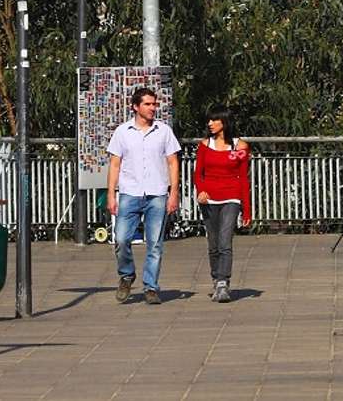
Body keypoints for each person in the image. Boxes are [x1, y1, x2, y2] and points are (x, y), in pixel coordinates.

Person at [106, 86, 180, 305]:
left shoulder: (163, 130)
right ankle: (126, 275)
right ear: (135, 107)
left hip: (157, 193)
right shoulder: (122, 131)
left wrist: (173, 192)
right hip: (130, 192)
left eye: (154, 104)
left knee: (155, 243)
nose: (152, 108)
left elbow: (173, 162)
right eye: (147, 104)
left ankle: (151, 287)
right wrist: (111, 194)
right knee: (121, 239)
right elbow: (115, 164)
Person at [192, 108, 251, 302]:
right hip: (209, 199)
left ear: (224, 122)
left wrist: (247, 210)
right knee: (214, 243)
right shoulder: (204, 146)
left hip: (231, 197)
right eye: (208, 120)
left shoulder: (240, 146)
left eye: (214, 119)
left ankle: (223, 282)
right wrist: (200, 191)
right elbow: (198, 173)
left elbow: (243, 177)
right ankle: (216, 278)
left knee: (225, 240)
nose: (210, 123)